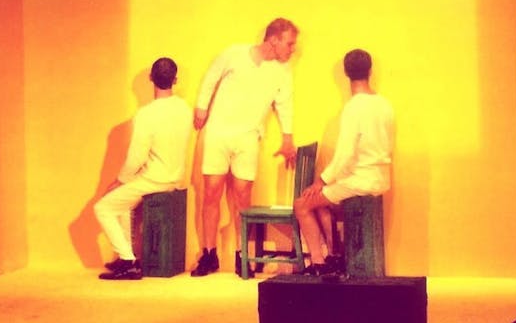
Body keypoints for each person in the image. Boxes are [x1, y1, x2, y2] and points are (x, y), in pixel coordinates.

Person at [191, 18, 299, 277]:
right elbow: (210, 78)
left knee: (242, 198)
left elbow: (284, 104)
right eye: (290, 43)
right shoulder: (234, 53)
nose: (292, 49)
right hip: (218, 132)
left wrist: (287, 138)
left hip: (248, 137)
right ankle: (209, 254)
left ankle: (242, 256)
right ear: (273, 39)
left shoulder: (282, 72)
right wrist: (201, 106)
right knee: (211, 193)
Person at [293, 49, 394, 276]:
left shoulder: (354, 107)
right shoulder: (384, 105)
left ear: (346, 74)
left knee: (302, 204)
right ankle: (333, 256)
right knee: (321, 202)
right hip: (380, 178)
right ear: (370, 71)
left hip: (361, 182)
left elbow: (345, 153)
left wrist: (321, 180)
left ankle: (318, 263)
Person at [95, 57, 192, 280]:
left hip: (155, 179)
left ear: (151, 79)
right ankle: (126, 256)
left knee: (103, 207)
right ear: (175, 80)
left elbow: (136, 157)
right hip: (175, 177)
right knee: (123, 203)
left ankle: (129, 262)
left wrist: (120, 179)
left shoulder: (147, 114)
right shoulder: (185, 110)